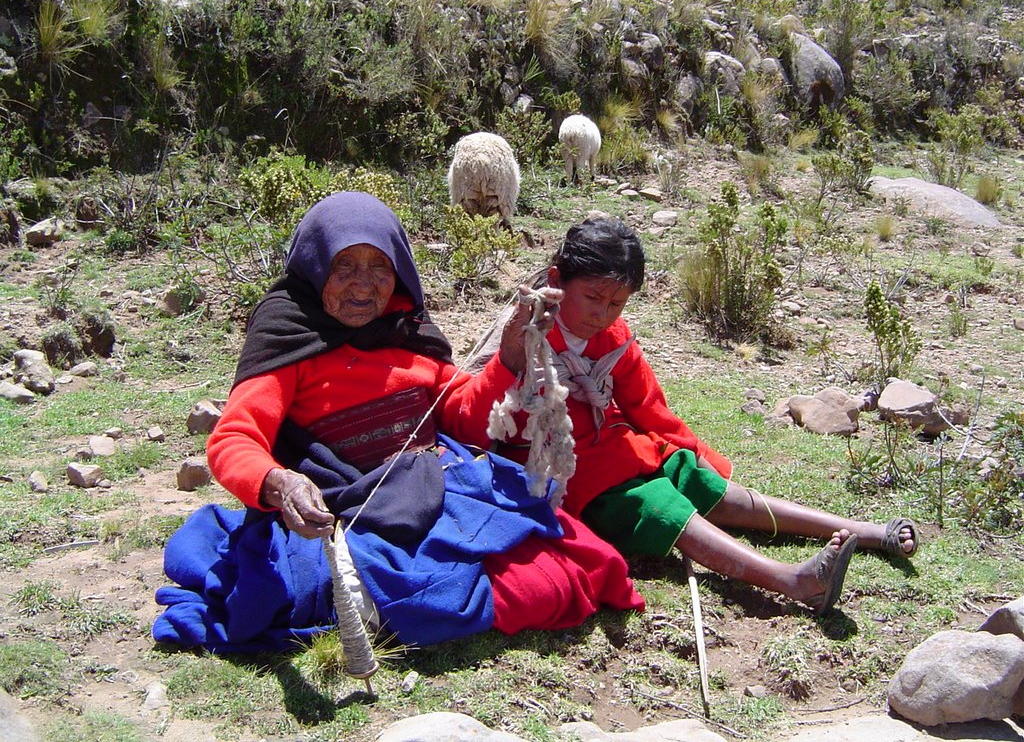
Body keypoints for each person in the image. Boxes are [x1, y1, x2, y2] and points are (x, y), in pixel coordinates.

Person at [152, 193, 643, 653]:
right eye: (345, 266)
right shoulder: (288, 338)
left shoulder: (407, 329)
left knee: (573, 571)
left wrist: (509, 356)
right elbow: (235, 437)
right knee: (429, 592)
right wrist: (278, 483)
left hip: (443, 487)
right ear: (316, 266)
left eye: (380, 267)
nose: (364, 284)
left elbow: (465, 418)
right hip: (355, 505)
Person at [482, 216, 918, 617]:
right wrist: (509, 361)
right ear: (558, 280)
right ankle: (793, 581)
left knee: (709, 485)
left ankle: (865, 531)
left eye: (617, 303)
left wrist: (694, 450)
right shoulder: (525, 334)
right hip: (572, 476)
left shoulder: (613, 338)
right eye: (593, 297)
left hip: (624, 449)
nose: (602, 314)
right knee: (663, 509)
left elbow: (648, 407)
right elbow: (480, 411)